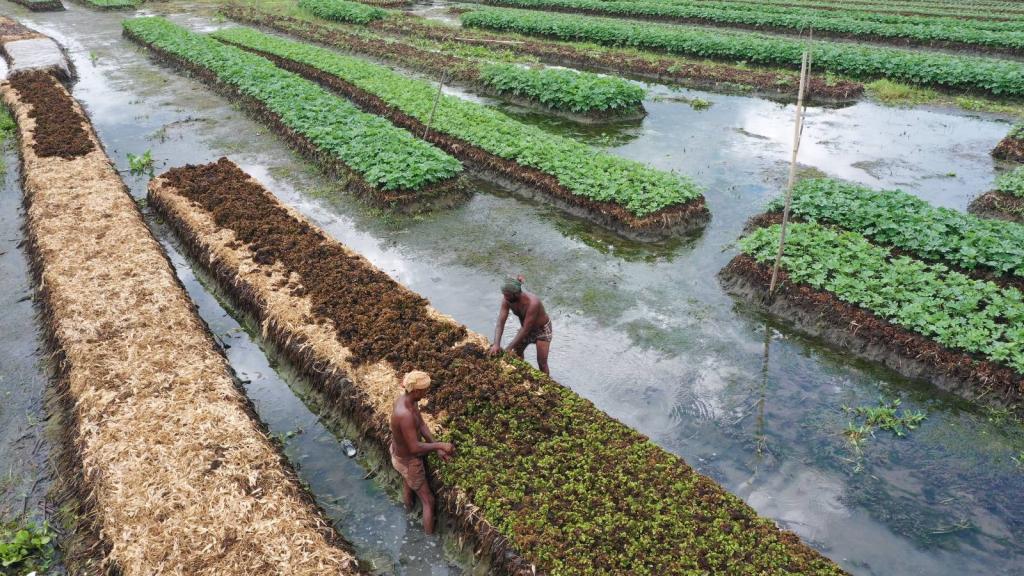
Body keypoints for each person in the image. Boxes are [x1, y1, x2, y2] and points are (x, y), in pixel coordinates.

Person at [389, 370, 454, 535]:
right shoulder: (405, 414)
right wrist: (441, 445)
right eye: (425, 389)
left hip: (400, 456)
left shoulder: (410, 401)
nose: (427, 392)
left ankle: (408, 511)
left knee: (408, 482)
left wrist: (436, 447)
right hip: (408, 461)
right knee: (429, 501)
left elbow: (422, 425)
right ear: (417, 391)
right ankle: (428, 541)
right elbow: (414, 448)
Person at [487, 276, 552, 375]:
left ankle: (548, 385)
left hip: (541, 330)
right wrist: (496, 344)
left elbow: (526, 329)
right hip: (525, 329)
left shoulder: (533, 303)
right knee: (518, 352)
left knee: (541, 362)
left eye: (508, 295)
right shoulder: (506, 300)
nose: (505, 298)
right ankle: (521, 373)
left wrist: (508, 349)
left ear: (517, 294)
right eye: (504, 295)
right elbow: (500, 322)